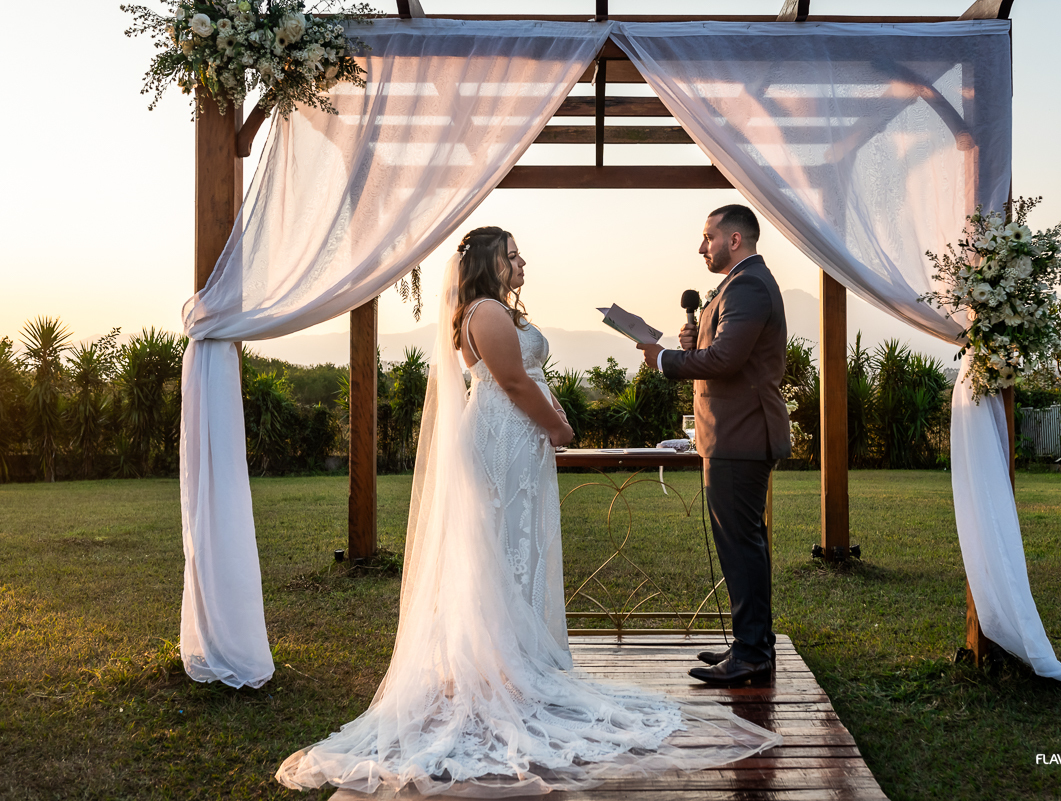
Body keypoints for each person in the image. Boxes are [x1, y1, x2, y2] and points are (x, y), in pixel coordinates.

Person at [276, 226, 781, 797]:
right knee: (500, 548)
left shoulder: (500, 311)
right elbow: (513, 382)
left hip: (520, 441)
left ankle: (513, 660)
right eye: (512, 255)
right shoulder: (485, 312)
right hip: (501, 441)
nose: (522, 263)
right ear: (490, 263)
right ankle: (498, 670)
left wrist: (552, 419)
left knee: (518, 546)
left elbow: (527, 377)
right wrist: (560, 426)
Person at [636, 205, 790, 687]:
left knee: (742, 546)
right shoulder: (739, 285)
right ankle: (751, 644)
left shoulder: (745, 285)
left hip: (740, 435)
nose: (702, 246)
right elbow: (723, 350)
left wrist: (664, 360)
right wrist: (691, 342)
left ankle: (751, 655)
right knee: (743, 545)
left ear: (735, 240)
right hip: (731, 435)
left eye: (708, 237)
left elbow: (724, 359)